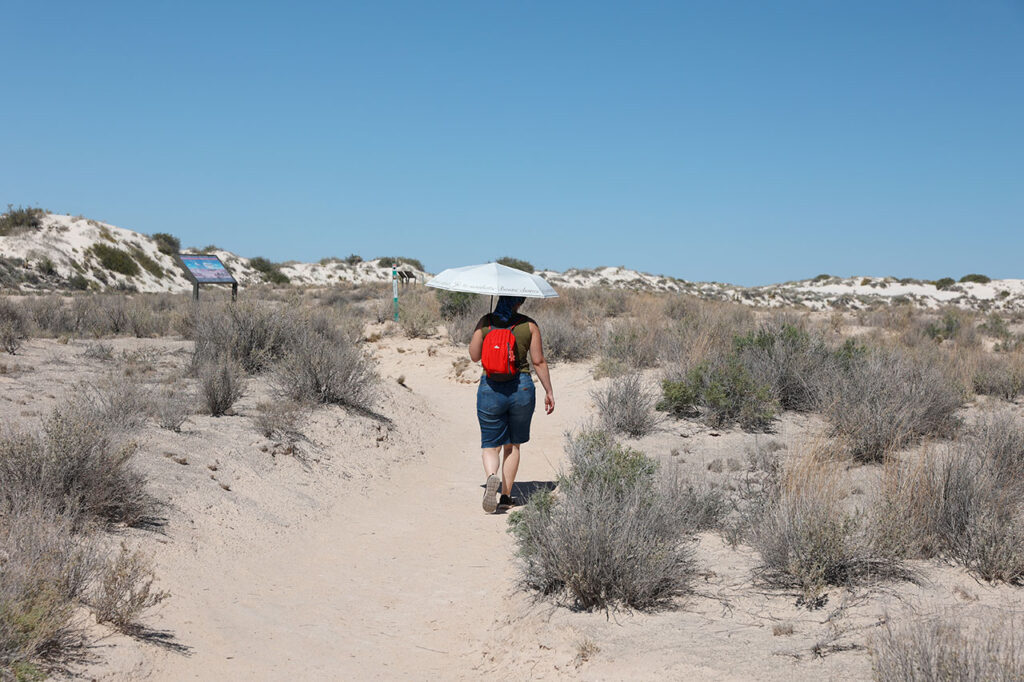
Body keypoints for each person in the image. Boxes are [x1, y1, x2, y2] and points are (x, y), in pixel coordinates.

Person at [468, 295, 555, 513]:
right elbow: (538, 361)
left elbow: (474, 356)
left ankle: (491, 476)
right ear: (519, 302)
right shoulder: (529, 325)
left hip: (490, 388)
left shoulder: (486, 321)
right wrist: (549, 391)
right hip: (521, 388)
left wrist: (487, 332)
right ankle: (506, 496)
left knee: (490, 444)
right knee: (513, 445)